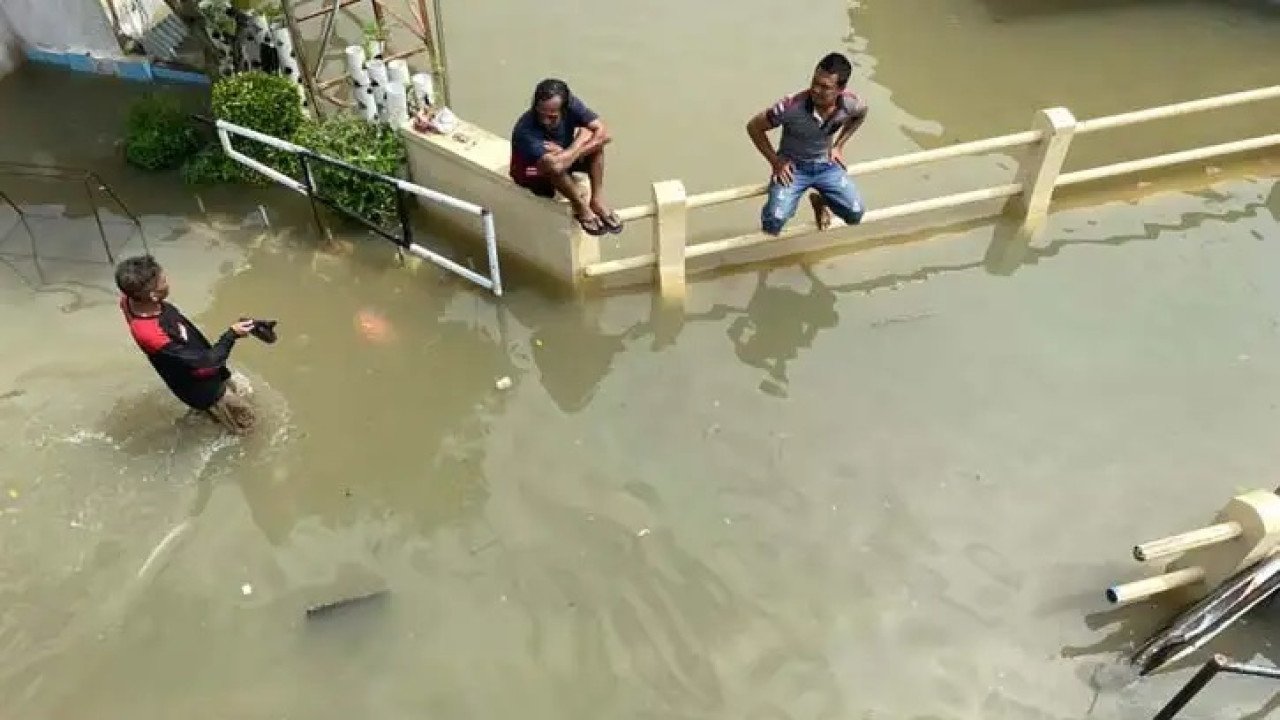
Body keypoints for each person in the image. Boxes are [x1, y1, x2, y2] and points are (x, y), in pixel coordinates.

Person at [115, 255, 257, 434]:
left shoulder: (130, 300)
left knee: (222, 410)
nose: (168, 282)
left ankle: (207, 417)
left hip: (196, 368)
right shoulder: (151, 334)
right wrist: (232, 335)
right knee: (249, 427)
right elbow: (207, 362)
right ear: (153, 295)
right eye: (163, 281)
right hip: (207, 388)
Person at [747, 52, 869, 236]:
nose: (816, 90)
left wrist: (839, 146)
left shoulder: (850, 103)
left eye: (825, 87)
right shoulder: (790, 107)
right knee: (773, 222)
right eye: (814, 82)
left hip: (826, 165)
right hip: (792, 169)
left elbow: (861, 114)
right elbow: (754, 127)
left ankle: (821, 201)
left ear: (841, 89)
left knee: (855, 213)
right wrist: (776, 162)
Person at [509, 78, 624, 237]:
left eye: (552, 117)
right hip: (531, 172)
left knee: (596, 147)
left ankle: (597, 200)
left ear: (564, 110)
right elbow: (555, 166)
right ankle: (581, 207)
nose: (545, 121)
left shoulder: (572, 105)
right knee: (553, 165)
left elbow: (605, 134)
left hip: (562, 155)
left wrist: (569, 151)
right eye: (541, 114)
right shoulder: (525, 130)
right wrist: (580, 139)